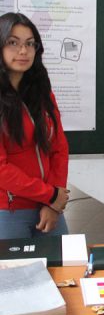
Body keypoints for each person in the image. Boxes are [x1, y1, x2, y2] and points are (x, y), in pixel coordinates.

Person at [0, 12, 69, 239]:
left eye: (30, 44)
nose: (23, 51)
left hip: (48, 210)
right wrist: (49, 195)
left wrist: (53, 203)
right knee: (14, 275)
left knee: (64, 271)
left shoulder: (42, 93)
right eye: (13, 43)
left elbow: (59, 148)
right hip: (8, 211)